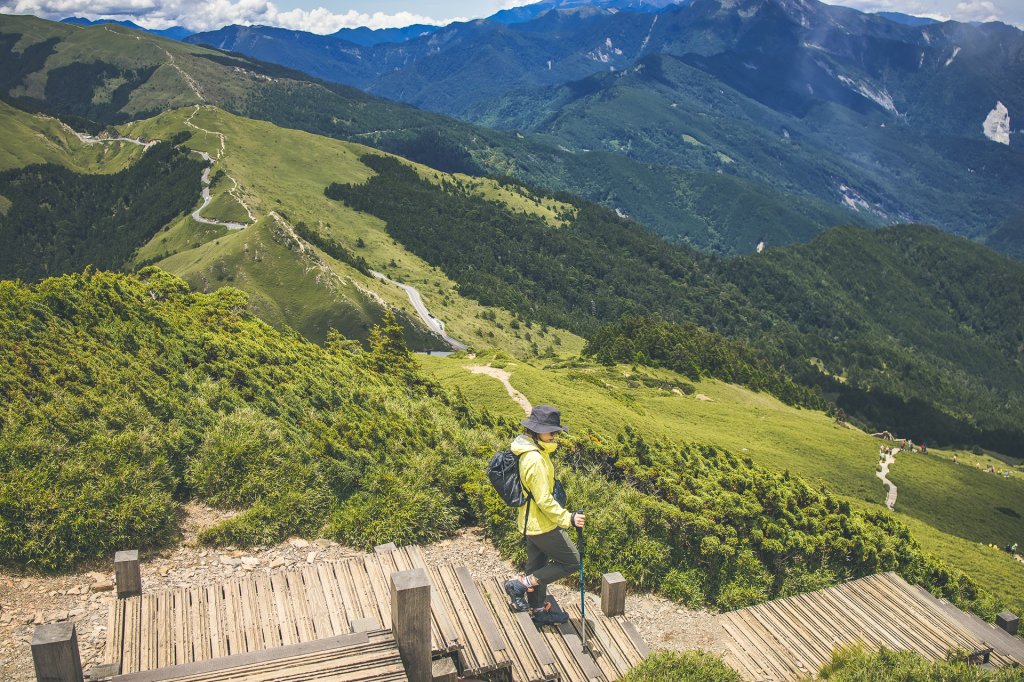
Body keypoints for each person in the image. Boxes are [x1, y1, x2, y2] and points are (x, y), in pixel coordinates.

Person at [503, 405, 585, 624]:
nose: (554, 436)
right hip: (542, 524)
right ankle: (520, 584)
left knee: (538, 566)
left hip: (530, 521)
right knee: (572, 561)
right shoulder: (535, 460)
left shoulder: (529, 451)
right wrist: (567, 518)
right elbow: (544, 499)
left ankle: (538, 610)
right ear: (537, 431)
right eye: (551, 431)